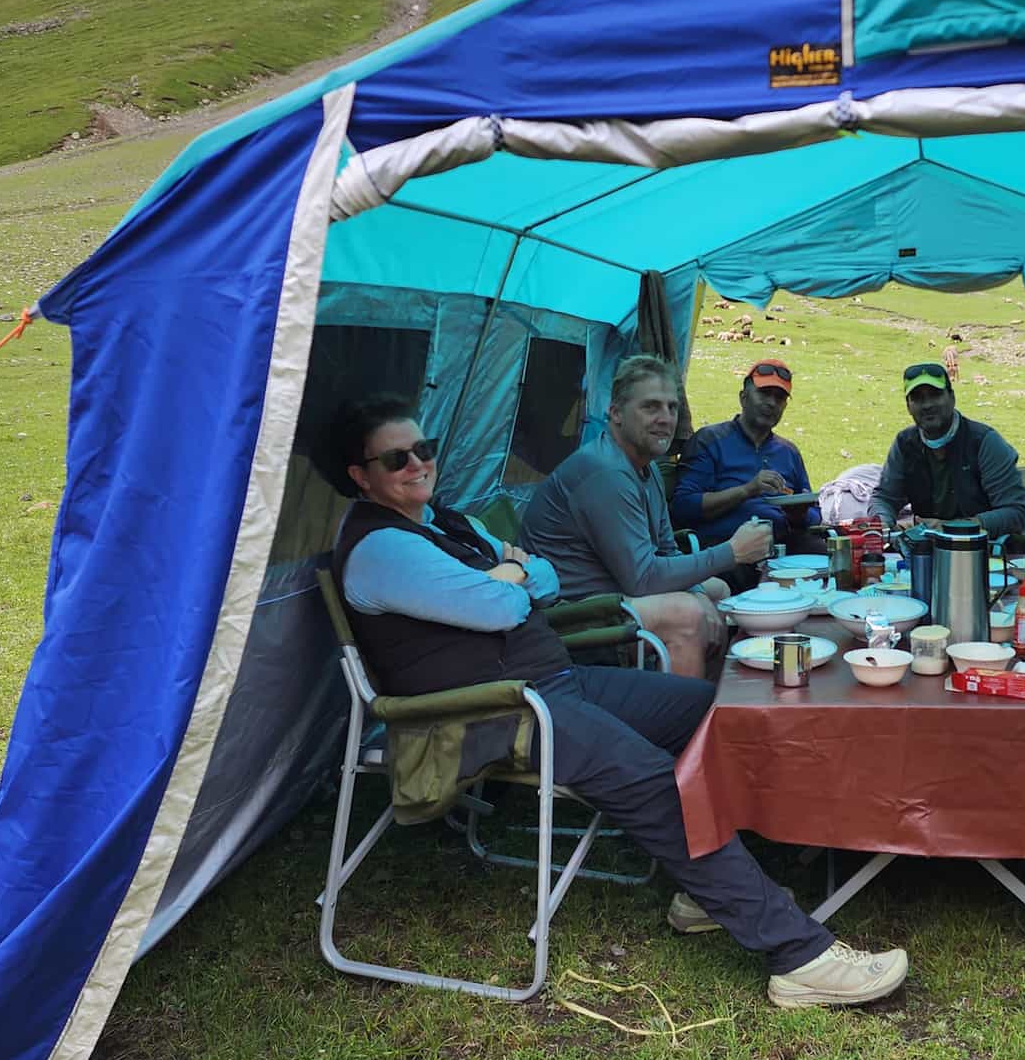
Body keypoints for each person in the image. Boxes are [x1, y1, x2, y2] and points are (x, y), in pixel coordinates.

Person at [329, 395, 909, 1007]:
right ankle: (799, 957)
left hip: (552, 683)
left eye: (425, 449)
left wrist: (516, 577)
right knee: (656, 782)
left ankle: (706, 892)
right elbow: (500, 603)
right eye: (397, 458)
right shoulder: (380, 549)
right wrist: (513, 577)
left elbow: (544, 580)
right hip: (489, 712)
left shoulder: (445, 522)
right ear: (361, 476)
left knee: (711, 714)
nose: (418, 464)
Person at [522, 355, 773, 679]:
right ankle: (683, 719)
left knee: (717, 592)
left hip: (614, 596)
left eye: (672, 407)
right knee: (688, 615)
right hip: (572, 619)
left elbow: (667, 551)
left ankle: (710, 702)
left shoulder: (646, 467)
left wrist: (698, 591)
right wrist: (731, 553)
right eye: (651, 407)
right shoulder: (606, 473)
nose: (666, 419)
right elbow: (641, 579)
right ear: (615, 413)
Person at [670, 360, 824, 590]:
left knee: (825, 557)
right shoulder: (710, 440)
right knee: (739, 574)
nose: (771, 403)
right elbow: (682, 507)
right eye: (764, 393)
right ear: (743, 397)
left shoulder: (788, 452)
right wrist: (747, 490)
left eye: (779, 398)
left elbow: (814, 513)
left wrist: (798, 515)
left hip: (781, 544)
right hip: (728, 546)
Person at [868, 361, 1025, 535]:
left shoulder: (985, 441)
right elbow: (884, 498)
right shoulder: (905, 443)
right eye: (918, 398)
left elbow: (1015, 513)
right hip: (927, 552)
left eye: (935, 395)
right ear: (908, 406)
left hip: (991, 551)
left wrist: (954, 528)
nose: (927, 405)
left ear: (952, 397)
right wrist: (882, 525)